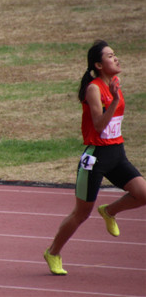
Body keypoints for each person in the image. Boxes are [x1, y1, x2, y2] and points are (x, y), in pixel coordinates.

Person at [44, 40, 146, 275]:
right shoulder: (94, 88)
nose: (116, 58)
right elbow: (99, 126)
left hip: (117, 154)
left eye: (115, 54)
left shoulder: (115, 83)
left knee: (143, 194)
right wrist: (116, 102)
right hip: (95, 157)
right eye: (110, 56)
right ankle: (53, 252)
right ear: (99, 65)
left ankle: (109, 211)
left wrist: (115, 99)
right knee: (81, 213)